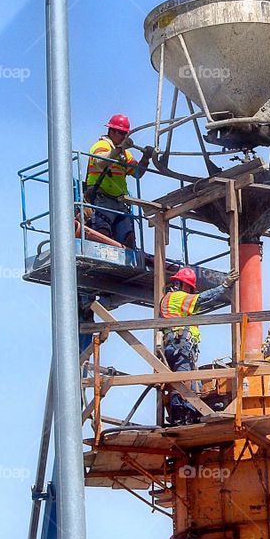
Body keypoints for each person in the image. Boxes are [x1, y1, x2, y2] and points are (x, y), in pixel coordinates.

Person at [159, 265, 239, 424]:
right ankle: (181, 417)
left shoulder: (171, 300)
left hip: (174, 345)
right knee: (185, 382)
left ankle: (185, 414)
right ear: (182, 285)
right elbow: (203, 298)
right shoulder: (178, 297)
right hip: (179, 346)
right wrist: (224, 286)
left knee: (184, 382)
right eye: (188, 287)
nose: (189, 290)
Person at [84, 114, 152, 248]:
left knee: (129, 239)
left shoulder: (125, 154)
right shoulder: (101, 145)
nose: (123, 136)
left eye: (125, 134)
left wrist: (146, 158)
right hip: (101, 200)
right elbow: (100, 162)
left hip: (120, 203)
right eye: (121, 133)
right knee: (102, 236)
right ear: (111, 131)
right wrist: (119, 149)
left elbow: (137, 173)